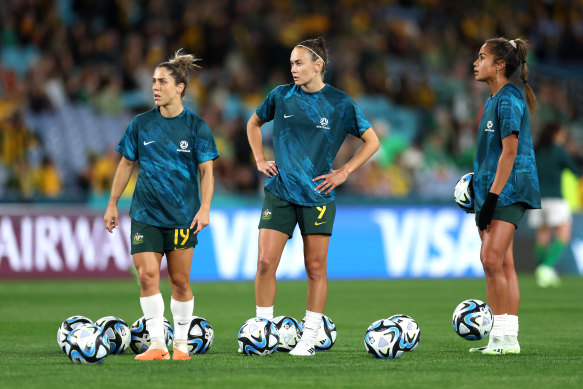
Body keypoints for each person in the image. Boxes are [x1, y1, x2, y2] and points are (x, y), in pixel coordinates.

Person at [246, 37, 380, 356]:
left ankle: (308, 336)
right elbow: (253, 123)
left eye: (299, 63)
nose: (293, 68)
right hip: (280, 191)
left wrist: (344, 171)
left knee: (315, 269)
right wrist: (258, 159)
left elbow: (372, 141)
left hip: (318, 195)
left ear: (317, 66)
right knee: (265, 262)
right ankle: (262, 330)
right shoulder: (280, 96)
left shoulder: (339, 103)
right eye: (291, 63)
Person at [103, 50, 219, 361]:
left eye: (162, 81)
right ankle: (157, 344)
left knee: (180, 281)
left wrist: (205, 207)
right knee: (147, 276)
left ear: (180, 87)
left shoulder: (196, 127)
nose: (155, 87)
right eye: (153, 81)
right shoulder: (141, 124)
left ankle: (180, 345)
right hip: (145, 214)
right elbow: (126, 164)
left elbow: (207, 171)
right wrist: (112, 203)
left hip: (182, 215)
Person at [470, 37, 541, 355]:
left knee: (490, 259)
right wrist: (475, 187)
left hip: (509, 189)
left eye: (482, 57)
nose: (475, 62)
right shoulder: (492, 100)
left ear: (499, 65)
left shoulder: (509, 100)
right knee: (503, 264)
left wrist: (491, 198)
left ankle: (503, 337)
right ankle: (505, 339)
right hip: (494, 190)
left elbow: (510, 152)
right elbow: (493, 153)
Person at [528, 123, 581, 287]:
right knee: (564, 234)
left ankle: (542, 273)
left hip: (537, 199)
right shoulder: (558, 151)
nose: (563, 137)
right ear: (555, 134)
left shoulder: (534, 151)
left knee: (543, 236)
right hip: (556, 200)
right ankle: (546, 267)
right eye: (562, 134)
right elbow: (576, 171)